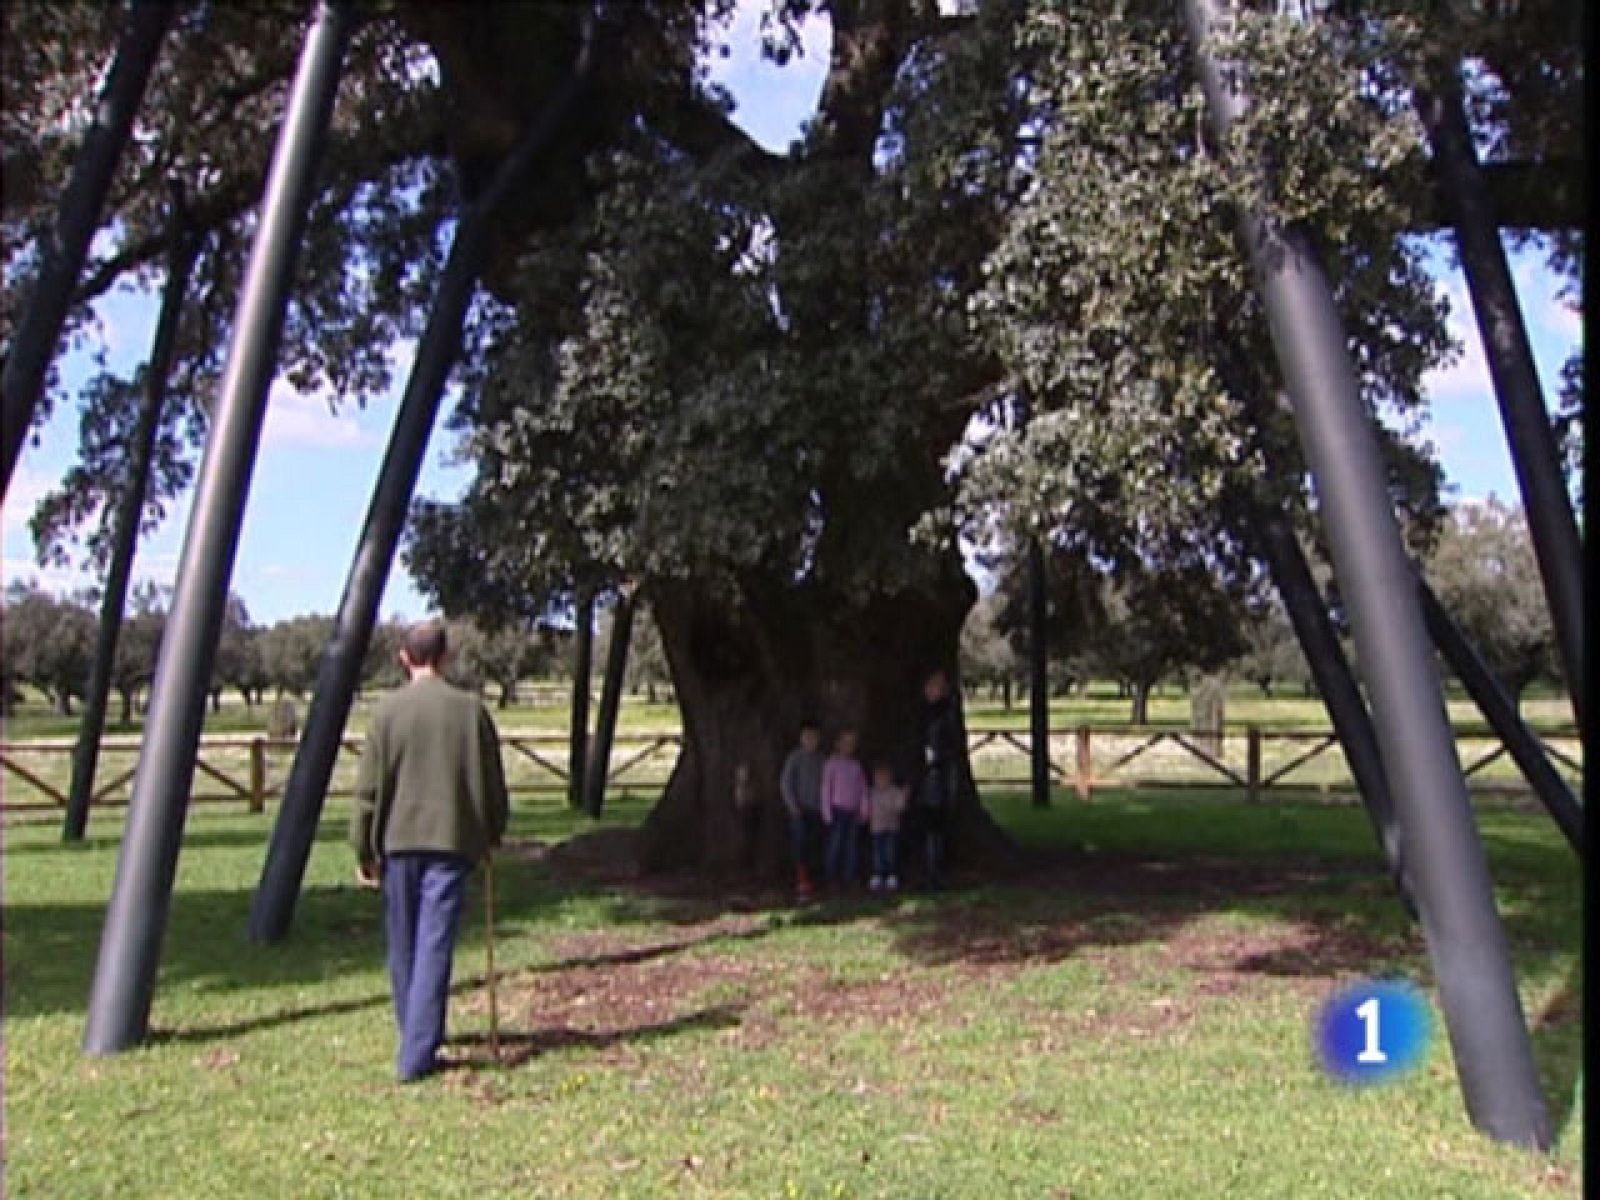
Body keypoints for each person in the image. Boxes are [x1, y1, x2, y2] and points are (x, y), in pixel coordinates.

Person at [351, 619, 509, 1082]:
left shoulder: (386, 713)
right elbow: (492, 784)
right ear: (445, 657)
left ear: (404, 657)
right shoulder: (470, 711)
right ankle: (420, 1042)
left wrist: (364, 846)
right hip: (451, 842)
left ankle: (416, 1042)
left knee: (404, 943)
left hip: (398, 843)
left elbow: (368, 791)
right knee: (434, 941)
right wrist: (492, 833)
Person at [914, 667, 960, 888]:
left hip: (938, 775)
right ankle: (930, 870)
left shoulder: (945, 714)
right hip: (926, 775)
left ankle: (936, 872)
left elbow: (949, 745)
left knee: (937, 825)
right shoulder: (923, 714)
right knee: (927, 825)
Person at [779, 720, 826, 898]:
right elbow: (786, 782)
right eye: (807, 737)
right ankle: (801, 877)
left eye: (814, 738)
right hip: (799, 809)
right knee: (800, 844)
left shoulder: (821, 759)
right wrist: (792, 805)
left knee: (814, 843)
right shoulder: (795, 758)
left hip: (817, 809)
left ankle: (815, 877)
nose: (811, 741)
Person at [820, 728, 869, 889]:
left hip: (853, 810)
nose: (849, 746)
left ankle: (850, 877)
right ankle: (831, 877)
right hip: (837, 810)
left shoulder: (856, 766)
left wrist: (864, 808)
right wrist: (826, 811)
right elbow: (826, 788)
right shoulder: (832, 763)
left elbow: (862, 788)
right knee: (835, 844)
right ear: (838, 744)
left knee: (851, 846)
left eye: (852, 743)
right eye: (845, 742)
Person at [866, 761, 909, 891]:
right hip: (876, 828)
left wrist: (904, 795)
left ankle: (891, 874)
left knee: (890, 852)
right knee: (878, 854)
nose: (882, 780)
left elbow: (900, 807)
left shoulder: (894, 791)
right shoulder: (871, 792)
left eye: (885, 777)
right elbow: (866, 807)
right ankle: (878, 874)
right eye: (879, 777)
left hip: (891, 827)